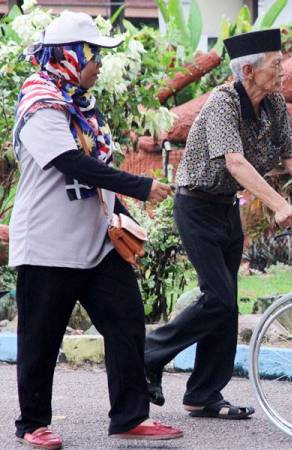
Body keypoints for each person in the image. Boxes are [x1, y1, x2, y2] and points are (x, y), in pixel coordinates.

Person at [9, 11, 183, 449]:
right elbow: (70, 162)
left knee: (126, 323)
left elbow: (97, 171)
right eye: (94, 55)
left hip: (95, 241)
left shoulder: (81, 104)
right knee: (40, 339)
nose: (99, 64)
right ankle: (32, 424)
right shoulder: (39, 99)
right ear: (70, 55)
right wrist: (141, 186)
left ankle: (129, 416)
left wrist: (123, 212)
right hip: (48, 243)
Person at [144, 28, 292, 419]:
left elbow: (289, 155)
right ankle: (148, 354)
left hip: (227, 208)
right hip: (195, 206)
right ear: (248, 71)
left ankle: (203, 394)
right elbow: (235, 161)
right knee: (219, 298)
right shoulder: (222, 103)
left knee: (225, 306)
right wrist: (278, 204)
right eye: (275, 65)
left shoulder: (274, 102)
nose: (282, 71)